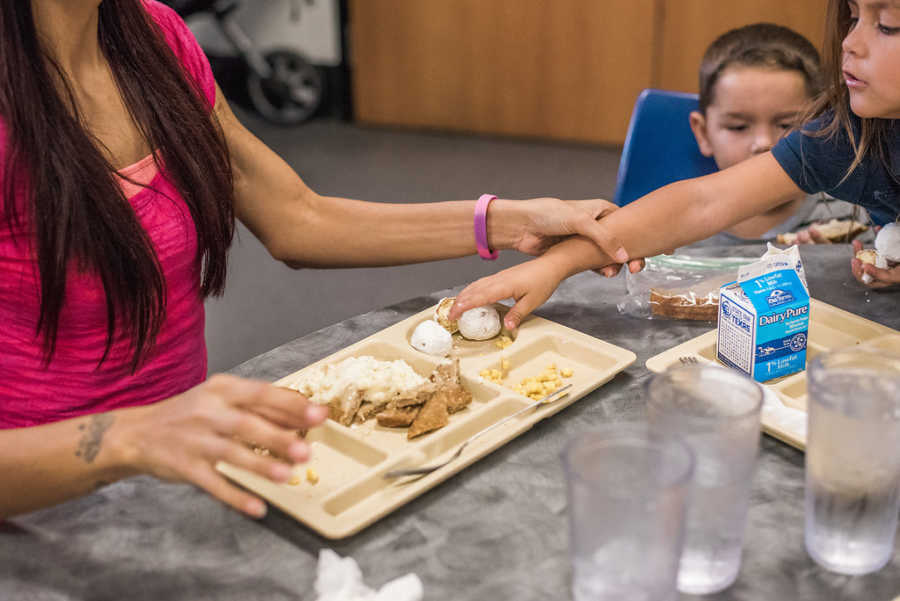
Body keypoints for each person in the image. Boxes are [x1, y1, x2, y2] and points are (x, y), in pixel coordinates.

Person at [0, 0, 638, 520]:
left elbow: (296, 219)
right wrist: (125, 439)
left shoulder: (155, 37)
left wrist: (515, 220)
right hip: (40, 506)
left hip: (181, 473)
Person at [451, 0, 900, 331]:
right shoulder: (850, 134)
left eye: (886, 24)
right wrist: (551, 266)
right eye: (852, 16)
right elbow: (702, 202)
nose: (849, 43)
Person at [687, 22, 862, 246]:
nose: (764, 143)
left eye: (786, 124)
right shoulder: (679, 232)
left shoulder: (852, 217)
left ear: (823, 124)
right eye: (738, 127)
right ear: (703, 132)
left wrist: (834, 266)